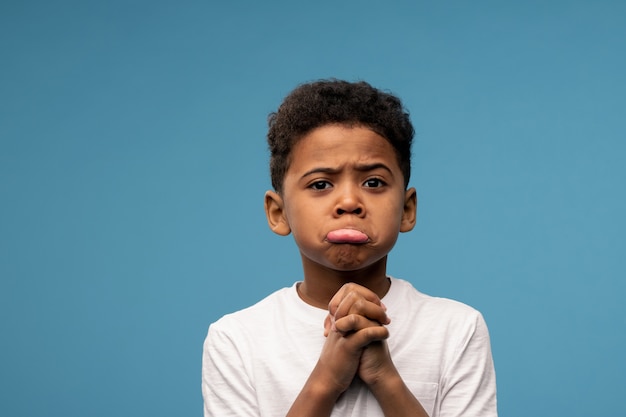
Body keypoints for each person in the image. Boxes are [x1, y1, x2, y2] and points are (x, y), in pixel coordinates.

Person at [202, 79, 497, 417]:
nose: (349, 202)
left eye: (373, 182)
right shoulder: (236, 339)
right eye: (320, 184)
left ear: (407, 209)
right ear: (278, 212)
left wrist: (385, 378)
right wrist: (326, 379)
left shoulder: (457, 329)